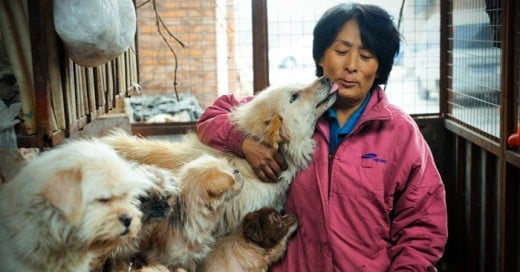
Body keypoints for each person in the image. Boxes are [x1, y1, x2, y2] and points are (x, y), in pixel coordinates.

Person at [196, 2, 448, 271]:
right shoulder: (294, 110)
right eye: (341, 51)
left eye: (366, 56)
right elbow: (212, 116)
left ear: (380, 67)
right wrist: (244, 143)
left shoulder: (400, 133)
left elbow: (422, 227)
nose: (351, 66)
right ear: (320, 56)